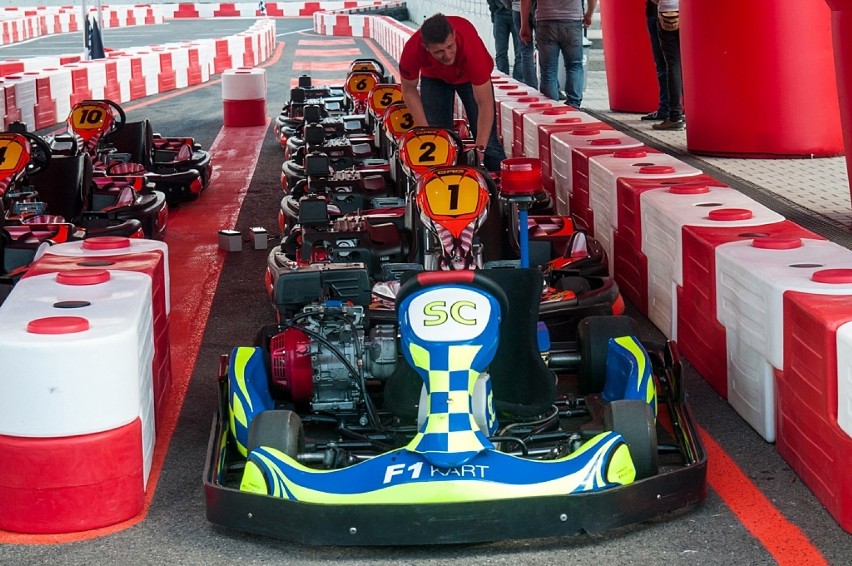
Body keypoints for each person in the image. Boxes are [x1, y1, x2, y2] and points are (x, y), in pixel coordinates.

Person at [399, 13, 506, 172]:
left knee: (489, 144)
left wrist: (480, 151)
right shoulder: (412, 49)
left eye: (450, 46)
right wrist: (426, 132)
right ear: (426, 47)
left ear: (454, 36)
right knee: (438, 138)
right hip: (435, 78)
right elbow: (408, 91)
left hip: (469, 78)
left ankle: (497, 187)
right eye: (439, 51)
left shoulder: (471, 48)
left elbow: (485, 105)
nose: (448, 56)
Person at [520, 0, 597, 108]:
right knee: (574, 66)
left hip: (545, 20)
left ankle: (551, 108)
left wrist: (524, 24)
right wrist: (589, 13)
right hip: (572, 20)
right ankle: (574, 105)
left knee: (548, 71)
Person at [651, 0, 684, 130]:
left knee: (673, 63)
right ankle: (691, 112)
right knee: (687, 64)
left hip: (667, 12)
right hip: (688, 12)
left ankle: (675, 115)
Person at [641, 0, 669, 121]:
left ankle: (667, 109)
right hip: (673, 14)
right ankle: (673, 109)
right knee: (672, 64)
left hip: (660, 14)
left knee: (664, 65)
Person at [488, 0, 523, 82]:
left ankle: (518, 81)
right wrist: (495, 9)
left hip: (518, 12)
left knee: (520, 53)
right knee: (500, 52)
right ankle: (503, 79)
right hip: (500, 13)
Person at [511, 0, 538, 88]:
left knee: (526, 52)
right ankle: (552, 90)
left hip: (518, 9)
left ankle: (531, 87)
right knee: (546, 51)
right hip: (539, 10)